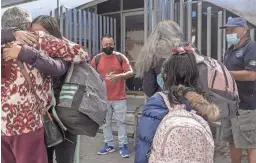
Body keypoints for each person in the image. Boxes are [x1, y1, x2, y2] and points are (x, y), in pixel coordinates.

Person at [1, 7, 88, 163]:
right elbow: (81, 53)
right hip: (28, 125)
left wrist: (9, 35)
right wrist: (59, 50)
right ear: (27, 25)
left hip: (3, 127)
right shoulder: (38, 39)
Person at [136, 45, 218, 163]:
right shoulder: (203, 102)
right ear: (194, 74)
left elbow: (145, 143)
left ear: (167, 75)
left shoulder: (158, 101)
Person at [30, 15, 78, 163]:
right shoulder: (32, 53)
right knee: (45, 158)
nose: (37, 37)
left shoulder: (65, 50)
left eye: (40, 33)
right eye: (33, 33)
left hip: (64, 116)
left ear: (52, 34)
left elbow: (58, 69)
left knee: (65, 159)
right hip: (42, 118)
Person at [91, 34, 133, 158]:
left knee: (121, 122)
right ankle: (108, 144)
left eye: (111, 44)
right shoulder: (96, 59)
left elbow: (131, 72)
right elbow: (91, 75)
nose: (109, 46)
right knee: (106, 123)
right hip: (103, 98)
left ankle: (123, 146)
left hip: (119, 97)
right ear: (101, 45)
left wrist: (119, 76)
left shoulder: (120, 57)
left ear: (114, 44)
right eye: (106, 45)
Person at [221, 17, 256, 163]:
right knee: (233, 142)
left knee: (250, 144)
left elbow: (251, 75)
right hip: (230, 105)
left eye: (232, 29)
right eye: (227, 30)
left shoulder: (251, 47)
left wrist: (225, 73)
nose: (228, 32)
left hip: (246, 106)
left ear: (244, 30)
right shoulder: (229, 51)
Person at [135, 20, 183, 98]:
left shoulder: (151, 53)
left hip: (163, 101)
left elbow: (149, 89)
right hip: (186, 101)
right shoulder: (187, 51)